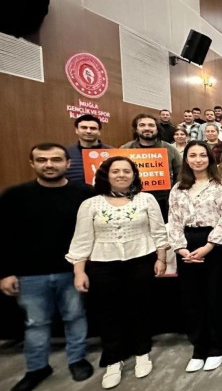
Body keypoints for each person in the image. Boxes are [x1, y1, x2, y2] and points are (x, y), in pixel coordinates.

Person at [66, 157, 168, 389]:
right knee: (108, 313)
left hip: (141, 260)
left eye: (126, 171)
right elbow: (81, 241)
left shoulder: (146, 199)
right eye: (116, 171)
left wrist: (161, 258)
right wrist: (78, 272)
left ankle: (142, 352)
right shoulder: (90, 204)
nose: (121, 175)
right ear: (106, 175)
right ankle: (114, 359)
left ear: (134, 175)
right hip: (103, 265)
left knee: (140, 308)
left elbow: (159, 232)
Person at [0, 143, 95, 391]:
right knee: (36, 323)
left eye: (55, 159)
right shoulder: (14, 196)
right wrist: (5, 272)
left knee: (75, 316)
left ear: (68, 164)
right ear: (32, 164)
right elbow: (3, 237)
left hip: (72, 270)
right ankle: (37, 367)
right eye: (42, 160)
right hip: (30, 274)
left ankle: (77, 359)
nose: (49, 164)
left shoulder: (84, 194)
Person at [169, 140, 222, 372]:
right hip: (186, 244)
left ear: (210, 158)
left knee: (215, 295)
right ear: (186, 159)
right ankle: (199, 347)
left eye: (202, 155)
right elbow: (173, 221)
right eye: (193, 155)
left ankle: (218, 346)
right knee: (191, 298)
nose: (198, 159)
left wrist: (208, 246)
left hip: (213, 244)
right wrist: (179, 248)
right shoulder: (178, 188)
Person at [121, 114, 182, 222]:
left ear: (157, 129)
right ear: (136, 129)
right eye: (142, 125)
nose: (147, 128)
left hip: (163, 201)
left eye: (151, 125)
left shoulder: (169, 149)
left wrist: (174, 193)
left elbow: (181, 172)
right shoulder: (125, 149)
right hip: (133, 199)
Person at [65, 114, 112, 184]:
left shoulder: (112, 152)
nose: (88, 131)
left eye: (93, 128)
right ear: (76, 130)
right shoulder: (66, 153)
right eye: (84, 127)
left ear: (99, 132)